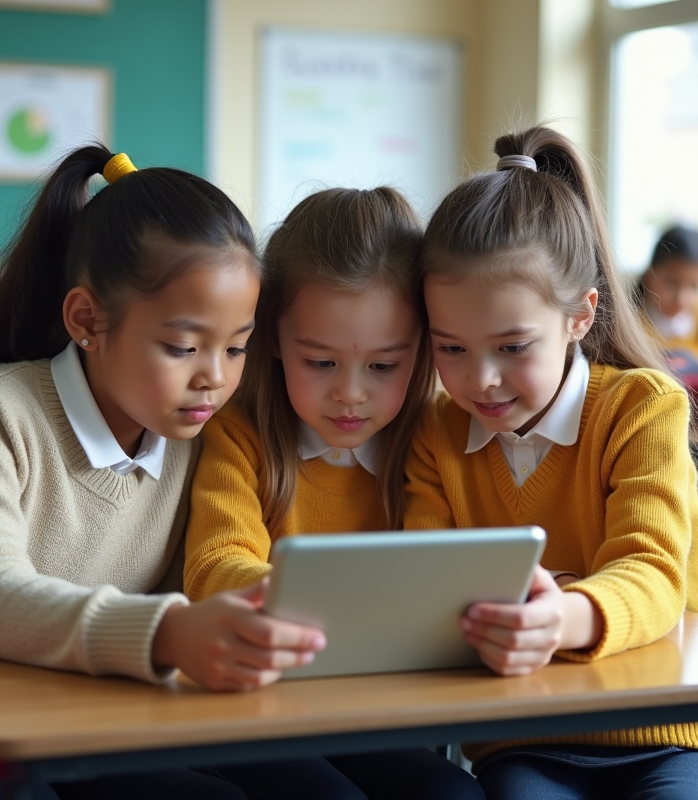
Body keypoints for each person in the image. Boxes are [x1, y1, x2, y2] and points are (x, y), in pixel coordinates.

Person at [0, 147, 328, 800]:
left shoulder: (199, 430)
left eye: (237, 347)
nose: (214, 377)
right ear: (87, 320)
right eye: (182, 347)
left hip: (102, 708)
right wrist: (167, 632)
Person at [405, 128, 698, 799]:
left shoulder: (641, 408)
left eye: (512, 347)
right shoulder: (436, 434)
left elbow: (652, 576)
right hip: (526, 736)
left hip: (673, 733)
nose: (481, 381)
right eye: (450, 348)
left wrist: (557, 610)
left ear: (580, 316)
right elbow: (434, 584)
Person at [183, 187, 480, 800]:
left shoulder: (432, 438)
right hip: (258, 713)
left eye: (382, 366)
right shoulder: (242, 437)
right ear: (272, 338)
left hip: (380, 714)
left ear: (422, 349)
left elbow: (442, 574)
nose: (351, 394)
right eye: (320, 363)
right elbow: (213, 570)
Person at [635, 224, 698, 377]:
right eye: (672, 283)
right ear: (649, 275)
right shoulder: (630, 324)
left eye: (694, 286)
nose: (681, 299)